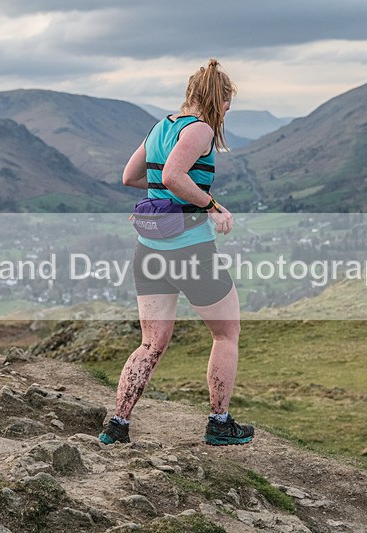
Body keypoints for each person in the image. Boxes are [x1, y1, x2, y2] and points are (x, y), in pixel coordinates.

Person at [99, 59, 254, 446]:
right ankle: (219, 423)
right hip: (191, 250)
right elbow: (172, 176)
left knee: (151, 342)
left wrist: (165, 196)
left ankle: (118, 424)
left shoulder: (159, 127)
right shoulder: (199, 130)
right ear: (217, 99)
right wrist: (211, 206)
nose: (228, 111)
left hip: (149, 249)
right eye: (227, 103)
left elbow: (132, 176)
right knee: (226, 333)